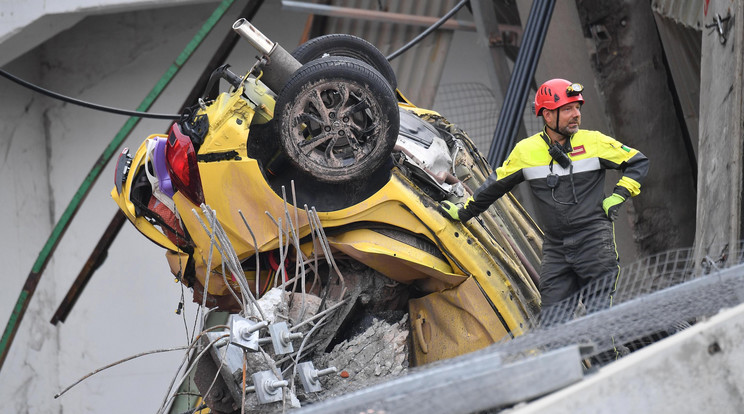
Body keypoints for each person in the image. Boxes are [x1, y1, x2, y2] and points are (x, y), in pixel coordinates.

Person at [439, 78, 649, 321]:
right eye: (568, 109)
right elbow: (494, 186)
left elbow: (638, 162)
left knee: (599, 322)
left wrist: (619, 195)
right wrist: (463, 212)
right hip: (556, 248)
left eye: (578, 108)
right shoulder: (526, 151)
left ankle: (611, 358)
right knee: (552, 326)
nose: (576, 115)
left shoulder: (594, 141)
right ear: (548, 116)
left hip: (594, 241)